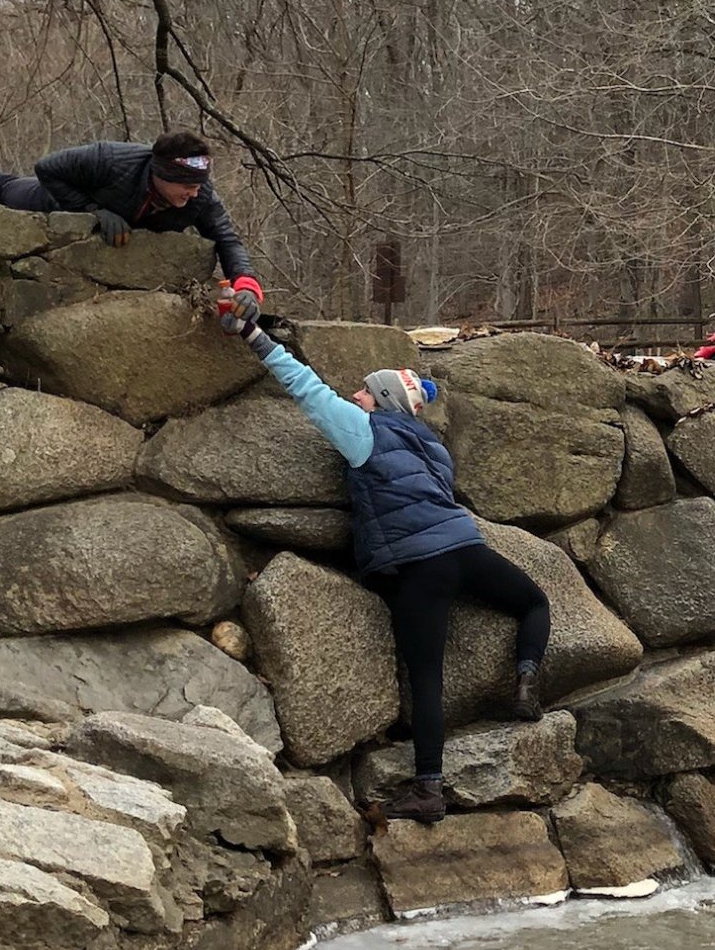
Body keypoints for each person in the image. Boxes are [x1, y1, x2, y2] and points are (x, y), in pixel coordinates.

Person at [218, 282, 552, 825]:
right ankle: (526, 682)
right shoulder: (433, 447)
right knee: (534, 601)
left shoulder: (364, 431)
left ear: (384, 403)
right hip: (465, 547)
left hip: (420, 567)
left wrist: (253, 334)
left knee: (426, 679)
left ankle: (428, 788)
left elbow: (304, 387)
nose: (355, 396)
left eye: (365, 392)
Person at [0, 130, 257, 284]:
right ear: (161, 176)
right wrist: (94, 210)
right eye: (186, 186)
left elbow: (227, 240)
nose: (194, 194)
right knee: (2, 188)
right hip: (56, 200)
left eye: (198, 186)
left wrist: (245, 283)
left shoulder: (201, 197)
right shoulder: (110, 159)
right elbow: (47, 167)